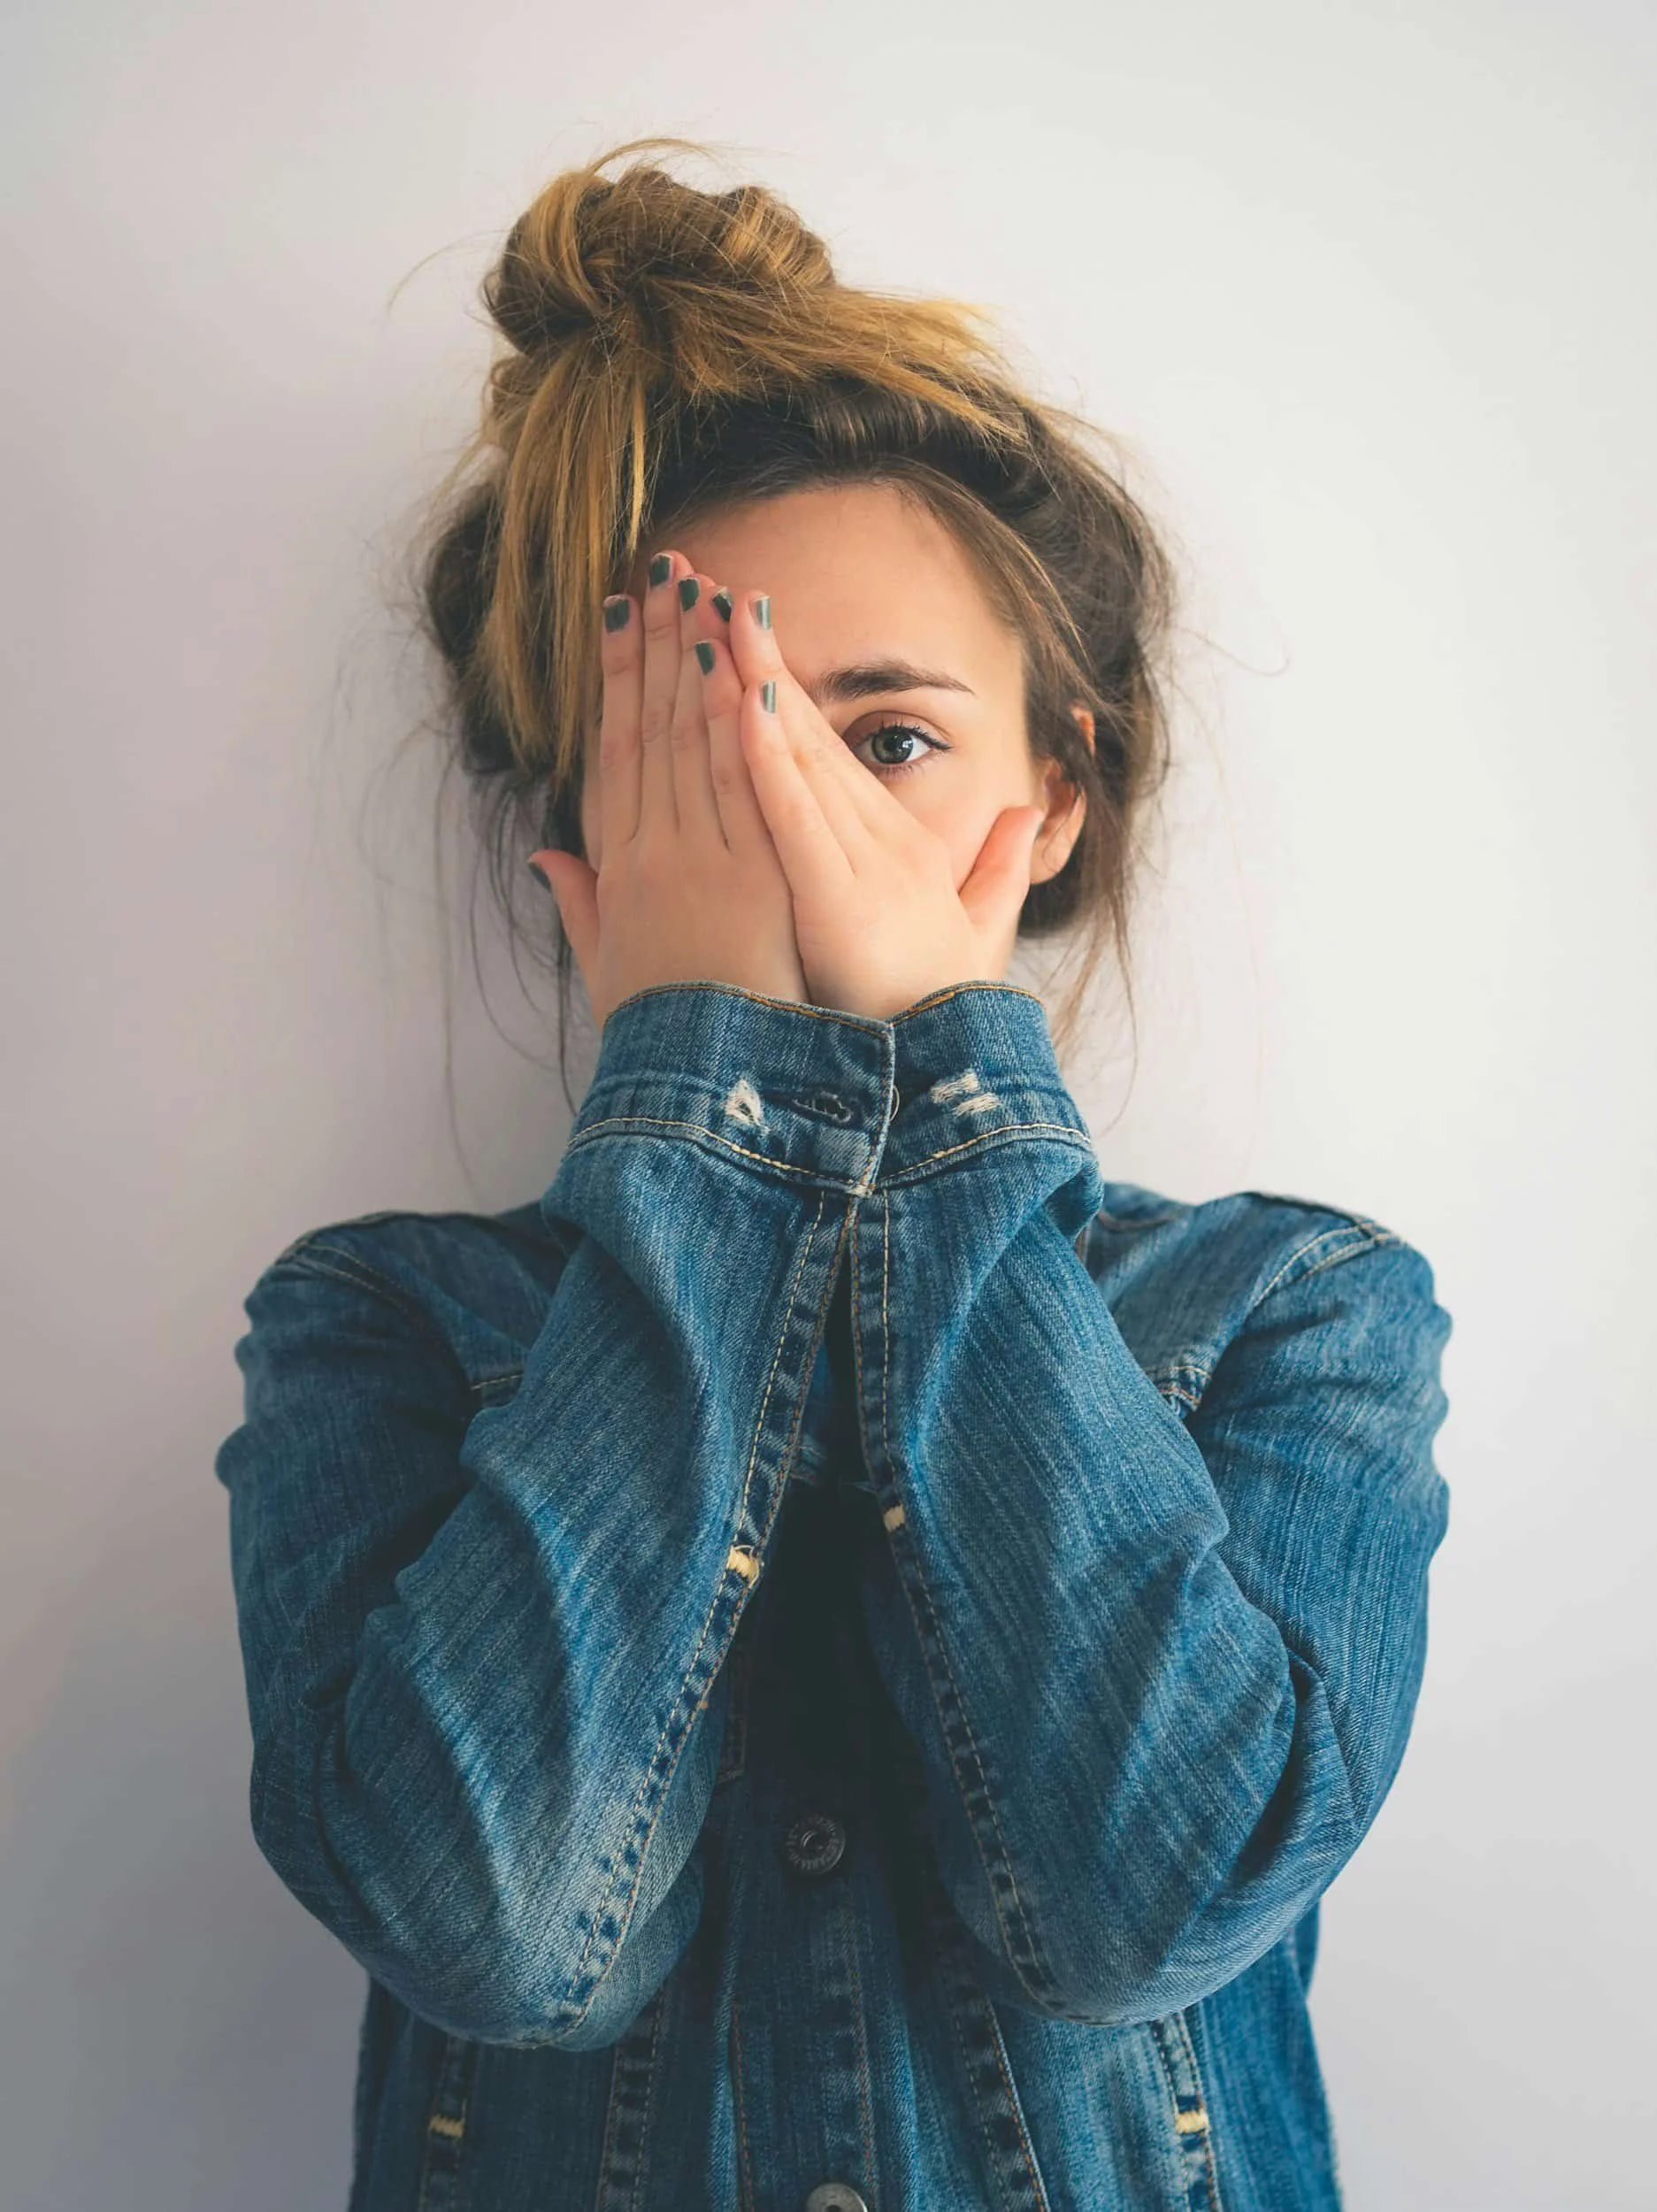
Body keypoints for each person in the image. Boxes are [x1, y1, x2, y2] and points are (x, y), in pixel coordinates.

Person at [215, 136, 1453, 2212]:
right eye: (708, 751)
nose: (792, 825)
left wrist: (949, 1080)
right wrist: (701, 1082)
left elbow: (1148, 1899)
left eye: (880, 740)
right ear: (585, 846)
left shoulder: (1295, 1314)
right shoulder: (384, 1326)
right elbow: (503, 1927)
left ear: (1050, 791)